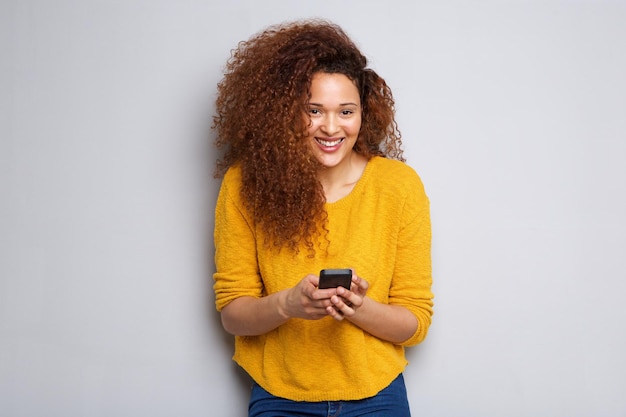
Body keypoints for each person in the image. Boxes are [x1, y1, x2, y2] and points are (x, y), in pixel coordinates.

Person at [212, 18, 433, 417]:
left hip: (377, 396)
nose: (331, 128)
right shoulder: (244, 183)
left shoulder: (399, 186)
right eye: (313, 110)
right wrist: (289, 304)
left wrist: (357, 307)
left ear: (364, 113)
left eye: (345, 111)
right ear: (282, 112)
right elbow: (232, 314)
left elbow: (415, 323)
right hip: (280, 396)